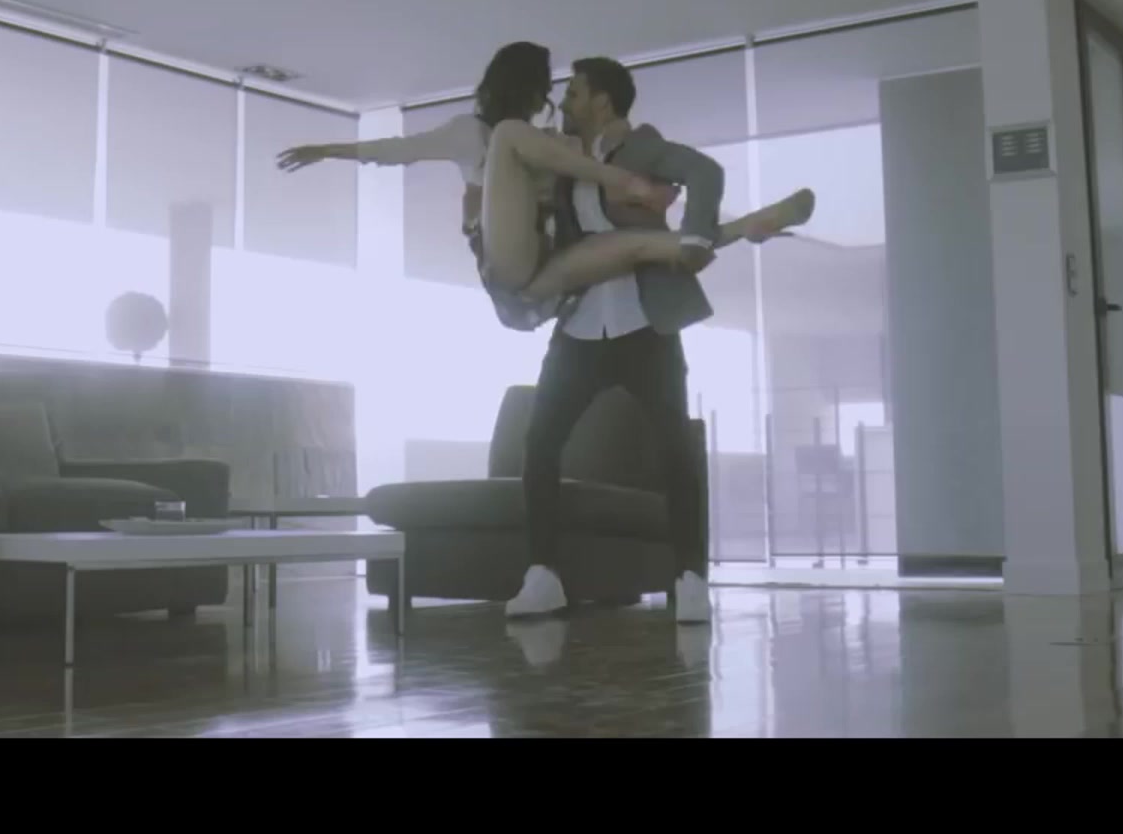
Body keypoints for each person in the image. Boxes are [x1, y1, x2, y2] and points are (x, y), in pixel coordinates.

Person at [277, 42, 811, 329]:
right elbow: (395, 150)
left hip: (545, 277)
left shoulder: (549, 142)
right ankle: (631, 186)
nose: (550, 98)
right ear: (524, 86)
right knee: (510, 136)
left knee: (643, 246)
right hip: (507, 262)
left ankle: (750, 226)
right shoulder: (476, 133)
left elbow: (593, 160)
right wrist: (327, 149)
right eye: (545, 87)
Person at [505, 57, 740, 626]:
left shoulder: (643, 148)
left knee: (675, 450)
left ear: (602, 100)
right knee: (540, 443)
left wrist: (696, 238)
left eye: (574, 93)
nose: (565, 103)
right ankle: (543, 577)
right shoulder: (568, 163)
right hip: (580, 326)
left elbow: (705, 171)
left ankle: (690, 580)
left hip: (644, 324)